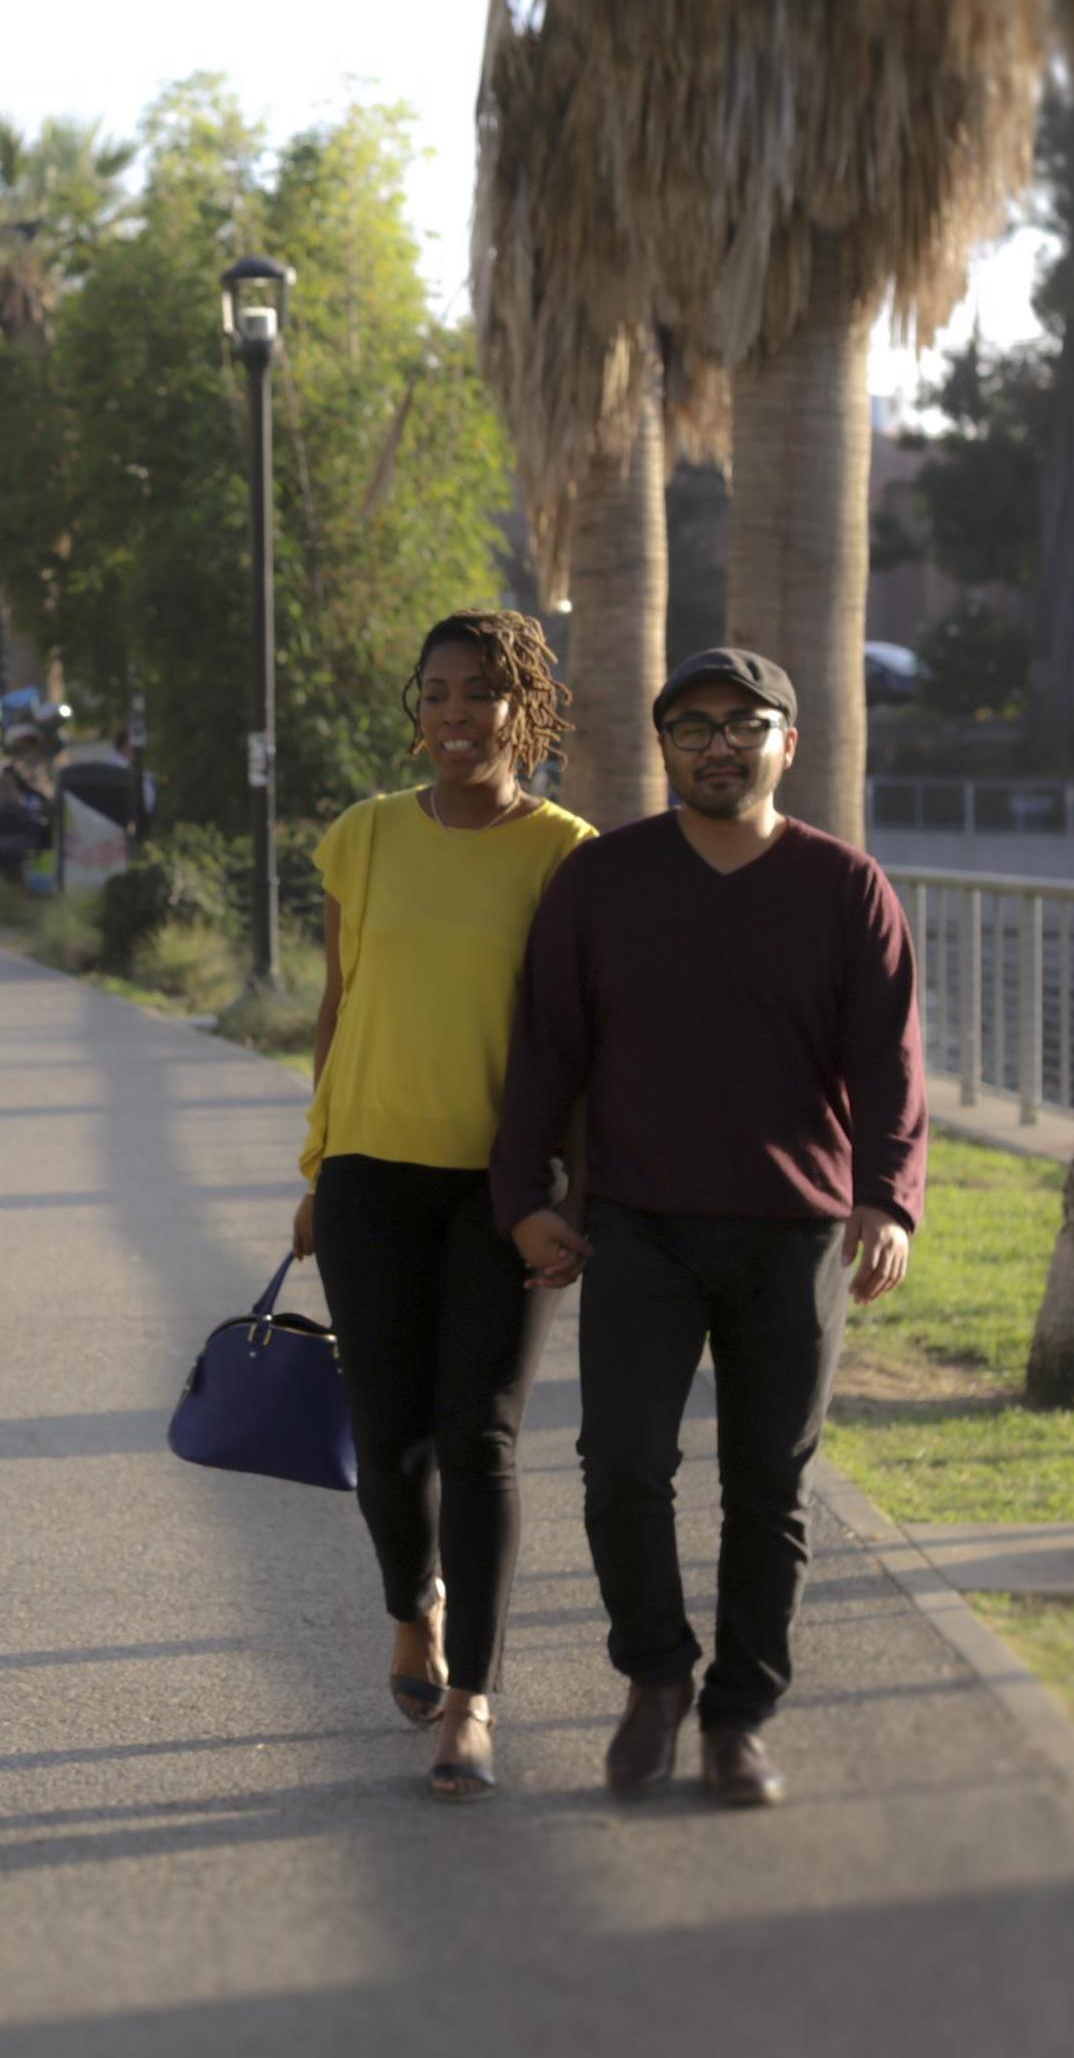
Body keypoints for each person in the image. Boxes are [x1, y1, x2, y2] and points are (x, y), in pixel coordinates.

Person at [492, 648, 925, 1810]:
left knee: (767, 1488)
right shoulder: (602, 883)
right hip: (641, 1224)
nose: (718, 743)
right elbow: (546, 1051)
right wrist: (525, 1199)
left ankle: (740, 1716)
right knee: (621, 1466)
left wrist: (889, 1199)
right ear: (664, 747)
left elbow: (888, 1066)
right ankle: (656, 1679)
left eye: (746, 723)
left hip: (797, 1232)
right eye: (692, 726)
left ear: (793, 742)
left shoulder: (845, 889)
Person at [292, 610, 592, 1801]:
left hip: (502, 1191)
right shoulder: (361, 838)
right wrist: (317, 1172)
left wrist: (568, 1194)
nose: (456, 715)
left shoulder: (568, 853)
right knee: (388, 1443)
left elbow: (579, 1043)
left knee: (479, 1439)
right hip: (368, 1175)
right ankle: (413, 1605)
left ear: (528, 707)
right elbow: (337, 1011)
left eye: (482, 694)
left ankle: (471, 1698)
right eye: (437, 693)